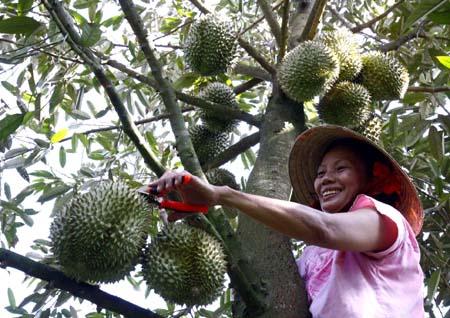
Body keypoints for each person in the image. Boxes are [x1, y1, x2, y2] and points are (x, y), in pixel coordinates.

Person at [148, 125, 425, 317]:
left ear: (370, 181)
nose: (326, 178)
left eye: (341, 168)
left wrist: (222, 195)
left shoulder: (387, 221)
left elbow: (323, 228)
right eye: (320, 173)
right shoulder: (310, 259)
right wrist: (191, 214)